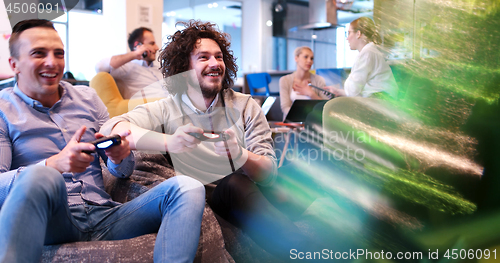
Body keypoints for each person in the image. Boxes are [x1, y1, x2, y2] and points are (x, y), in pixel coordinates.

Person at [101, 20, 320, 260]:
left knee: (304, 170)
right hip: (223, 195)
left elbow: (269, 174)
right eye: (203, 57)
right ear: (184, 67)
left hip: (262, 187)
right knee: (234, 184)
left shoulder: (245, 105)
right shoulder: (166, 108)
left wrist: (241, 155)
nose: (215, 64)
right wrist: (169, 142)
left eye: (219, 57)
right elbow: (113, 127)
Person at [0, 19, 205, 263]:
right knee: (42, 176)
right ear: (14, 65)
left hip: (105, 214)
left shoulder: (87, 97)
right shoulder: (4, 110)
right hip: (52, 221)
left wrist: (119, 158)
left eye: (59, 53)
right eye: (38, 54)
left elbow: (122, 171)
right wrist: (53, 165)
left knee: (189, 187)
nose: (52, 62)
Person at [329, 17, 398, 99]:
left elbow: (353, 90)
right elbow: (357, 90)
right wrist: (338, 91)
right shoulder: (371, 51)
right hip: (382, 100)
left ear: (358, 34)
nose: (347, 38)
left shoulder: (367, 53)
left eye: (349, 33)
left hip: (379, 101)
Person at [95, 27, 169, 100]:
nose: (157, 48)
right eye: (152, 43)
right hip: (150, 108)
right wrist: (135, 54)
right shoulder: (127, 68)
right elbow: (100, 67)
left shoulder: (158, 68)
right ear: (138, 45)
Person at [279, 46, 330, 118]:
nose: (309, 61)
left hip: (313, 122)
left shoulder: (319, 80)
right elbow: (285, 107)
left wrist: (311, 94)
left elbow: (325, 106)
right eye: (305, 57)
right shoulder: (285, 80)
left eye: (312, 58)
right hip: (291, 124)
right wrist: (299, 117)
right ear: (296, 58)